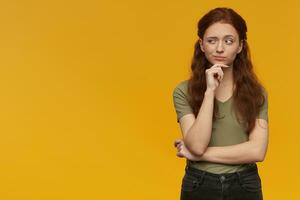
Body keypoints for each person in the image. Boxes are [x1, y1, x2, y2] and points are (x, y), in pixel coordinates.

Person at [172, 7, 268, 200]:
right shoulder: (183, 91)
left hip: (244, 184)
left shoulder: (256, 93)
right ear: (202, 45)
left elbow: (257, 151)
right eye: (212, 40)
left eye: (229, 41)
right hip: (199, 183)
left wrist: (198, 155)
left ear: (240, 46)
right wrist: (210, 92)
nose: (220, 49)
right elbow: (197, 145)